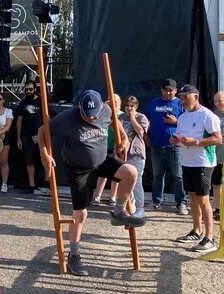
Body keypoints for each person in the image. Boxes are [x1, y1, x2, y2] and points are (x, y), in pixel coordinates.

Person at [39, 89, 145, 276]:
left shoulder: (106, 110)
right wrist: (44, 154)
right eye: (86, 115)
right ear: (79, 106)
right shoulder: (67, 118)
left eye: (94, 115)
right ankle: (74, 254)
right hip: (78, 168)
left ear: (101, 106)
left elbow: (114, 122)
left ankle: (118, 213)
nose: (91, 118)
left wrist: (124, 138)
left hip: (101, 161)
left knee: (131, 172)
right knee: (81, 213)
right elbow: (42, 131)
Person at [171, 84, 222, 253]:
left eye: (186, 97)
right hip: (187, 162)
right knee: (192, 197)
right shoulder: (183, 116)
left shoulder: (207, 115)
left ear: (196, 97)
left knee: (203, 199)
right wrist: (175, 140)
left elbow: (218, 139)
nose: (183, 101)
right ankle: (196, 231)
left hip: (203, 163)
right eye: (181, 98)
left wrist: (197, 142)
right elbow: (180, 135)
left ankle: (210, 238)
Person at [145, 78, 188, 214]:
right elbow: (145, 121)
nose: (168, 93)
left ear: (176, 91)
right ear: (161, 90)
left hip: (174, 146)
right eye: (165, 90)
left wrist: (175, 122)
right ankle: (156, 201)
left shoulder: (180, 103)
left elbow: (189, 124)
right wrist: (146, 136)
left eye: (170, 90)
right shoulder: (153, 103)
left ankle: (181, 202)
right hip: (156, 145)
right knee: (158, 175)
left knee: (177, 175)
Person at [119, 96, 149, 218]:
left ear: (136, 106)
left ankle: (140, 208)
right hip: (123, 153)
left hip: (136, 153)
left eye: (132, 106)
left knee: (137, 181)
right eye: (127, 106)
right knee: (125, 181)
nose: (129, 108)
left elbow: (141, 132)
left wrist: (132, 118)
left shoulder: (141, 117)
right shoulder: (121, 117)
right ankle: (130, 207)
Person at [94, 94, 123, 205]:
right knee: (102, 173)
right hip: (104, 147)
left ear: (119, 103)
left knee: (116, 174)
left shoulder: (122, 116)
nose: (113, 103)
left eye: (115, 101)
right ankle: (97, 196)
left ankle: (113, 197)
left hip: (116, 148)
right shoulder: (103, 114)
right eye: (111, 101)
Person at [16, 80, 44, 193]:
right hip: (27, 136)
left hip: (41, 135)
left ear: (35, 89)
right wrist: (18, 138)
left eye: (30, 89)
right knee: (29, 161)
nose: (28, 91)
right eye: (26, 89)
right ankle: (31, 185)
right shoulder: (23, 103)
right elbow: (19, 121)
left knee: (44, 159)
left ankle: (47, 183)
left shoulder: (41, 101)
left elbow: (47, 117)